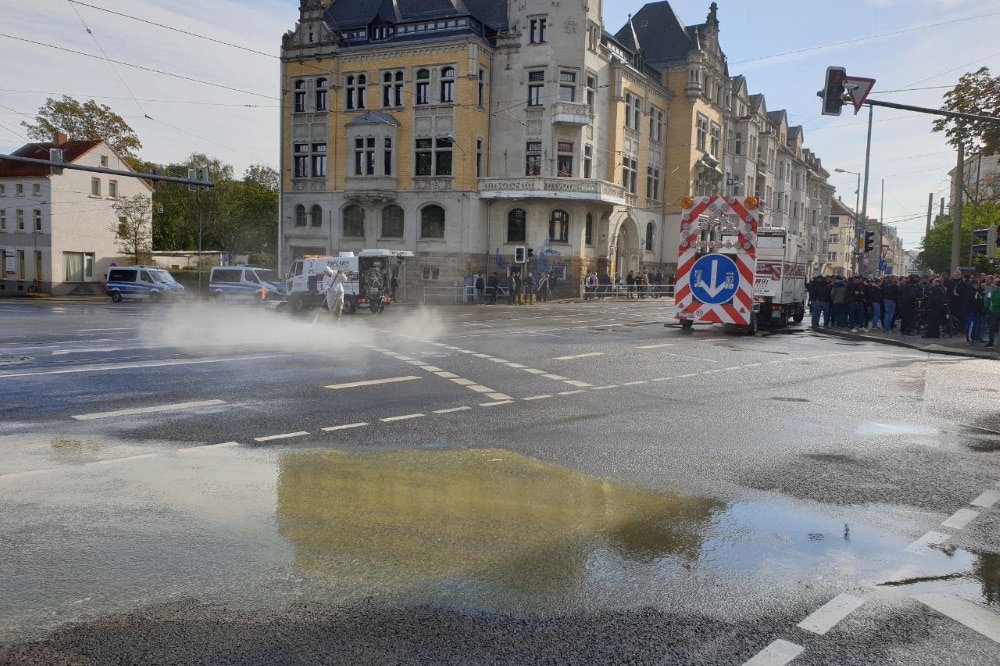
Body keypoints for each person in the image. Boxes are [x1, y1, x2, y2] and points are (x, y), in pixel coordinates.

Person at [985, 278, 1000, 347]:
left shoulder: (992, 291)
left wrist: (987, 308)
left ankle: (991, 342)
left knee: (991, 327)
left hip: (993, 311)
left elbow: (988, 300)